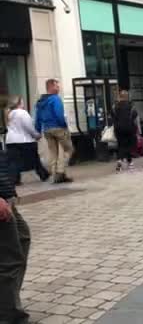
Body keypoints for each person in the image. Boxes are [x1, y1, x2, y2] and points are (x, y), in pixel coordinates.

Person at [0, 150, 30, 324]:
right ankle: (9, 316)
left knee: (22, 237)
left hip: (6, 196)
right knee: (9, 260)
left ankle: (9, 303)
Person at [35, 78, 74, 184]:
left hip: (46, 129)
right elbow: (59, 114)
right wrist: (64, 125)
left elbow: (37, 117)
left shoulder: (40, 101)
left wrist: (38, 130)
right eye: (57, 86)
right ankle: (60, 172)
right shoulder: (55, 99)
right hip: (58, 128)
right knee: (68, 149)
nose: (59, 88)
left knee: (53, 153)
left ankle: (54, 175)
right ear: (51, 87)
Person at [5, 96, 50, 185]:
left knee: (13, 162)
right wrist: (36, 135)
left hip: (10, 140)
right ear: (19, 103)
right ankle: (44, 175)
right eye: (22, 101)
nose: (23, 103)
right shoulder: (22, 113)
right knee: (35, 159)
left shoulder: (9, 114)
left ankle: (14, 180)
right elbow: (29, 127)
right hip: (25, 140)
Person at [112, 90, 138, 172]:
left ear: (120, 96)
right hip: (129, 128)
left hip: (118, 129)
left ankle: (120, 161)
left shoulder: (115, 106)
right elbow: (135, 115)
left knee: (121, 145)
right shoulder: (130, 106)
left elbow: (113, 116)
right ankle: (130, 164)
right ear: (127, 97)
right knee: (128, 145)